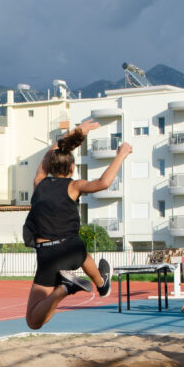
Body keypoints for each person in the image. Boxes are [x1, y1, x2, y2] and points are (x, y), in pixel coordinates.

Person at [23, 119, 130, 330]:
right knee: (77, 246)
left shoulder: (39, 182)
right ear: (72, 168)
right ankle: (101, 283)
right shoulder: (74, 186)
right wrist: (121, 155)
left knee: (33, 321)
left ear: (50, 165)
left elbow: (52, 151)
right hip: (73, 250)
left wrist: (78, 131)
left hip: (48, 255)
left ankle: (64, 289)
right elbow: (104, 183)